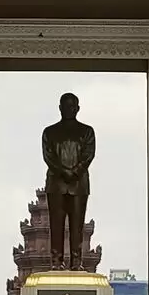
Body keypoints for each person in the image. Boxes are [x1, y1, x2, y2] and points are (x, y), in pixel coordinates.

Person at [42, 92, 96, 270]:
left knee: (77, 226)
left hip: (78, 185)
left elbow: (89, 154)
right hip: (57, 184)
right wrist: (66, 171)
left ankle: (76, 262)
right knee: (56, 225)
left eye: (72, 106)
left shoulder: (87, 131)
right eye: (65, 106)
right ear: (60, 108)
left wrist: (74, 172)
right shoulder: (49, 132)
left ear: (78, 109)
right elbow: (48, 156)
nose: (69, 110)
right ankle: (56, 262)